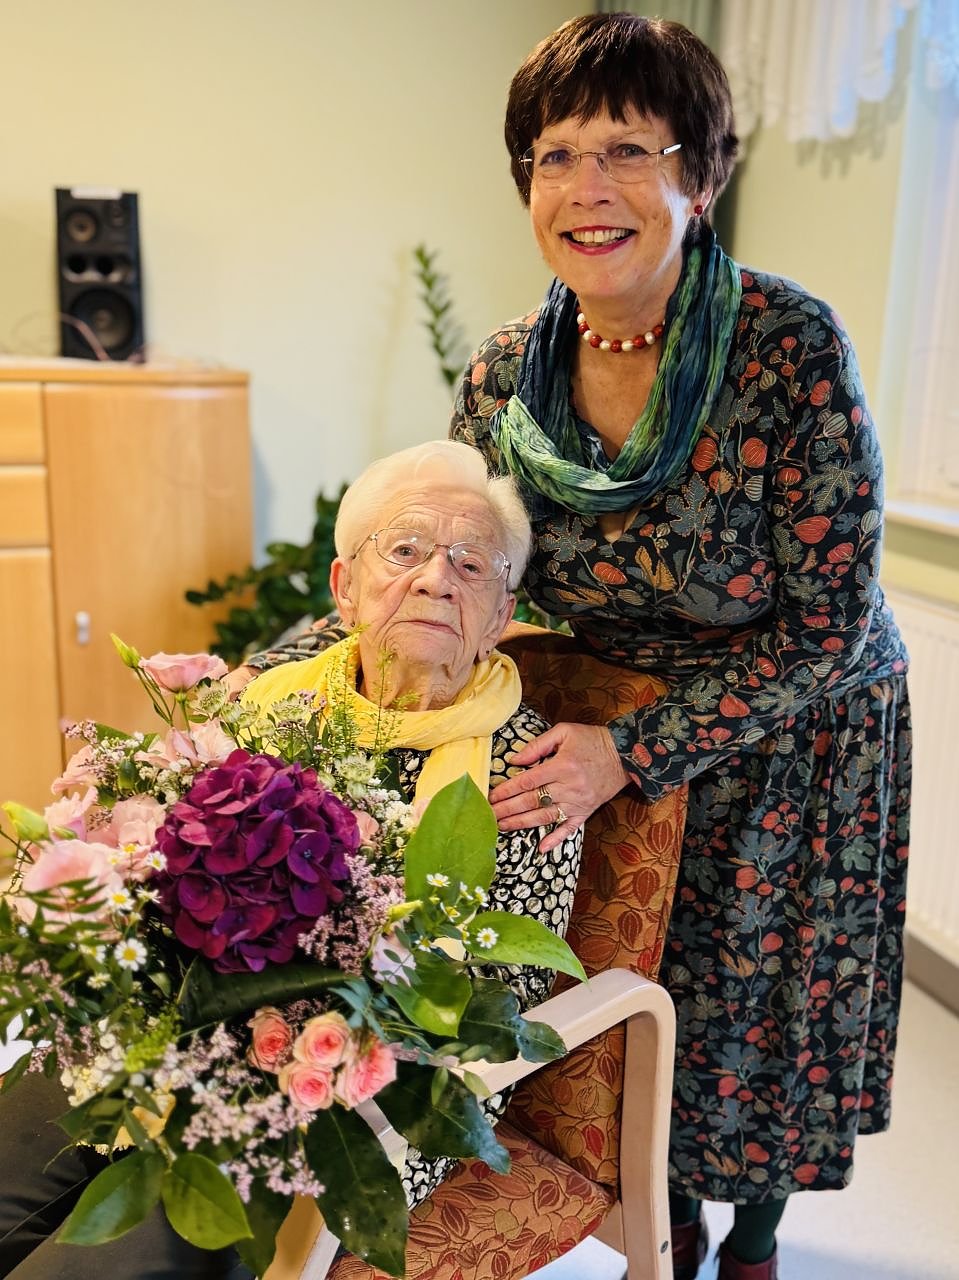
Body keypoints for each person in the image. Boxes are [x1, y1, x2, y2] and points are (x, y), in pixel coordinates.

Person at [242, 13, 911, 1280]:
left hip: (786, 727)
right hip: (605, 712)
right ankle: (666, 1210)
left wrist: (634, 748)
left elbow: (827, 623)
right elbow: (456, 564)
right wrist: (273, 676)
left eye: (626, 150)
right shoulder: (507, 370)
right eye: (553, 155)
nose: (585, 187)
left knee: (752, 1025)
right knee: (640, 1019)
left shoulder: (788, 348)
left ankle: (751, 1239)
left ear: (697, 175)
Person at [0, 441, 582, 1280]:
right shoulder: (271, 704)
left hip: (342, 1085)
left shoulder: (533, 771)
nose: (435, 580)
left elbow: (503, 993)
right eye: (405, 550)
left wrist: (307, 1031)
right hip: (171, 1022)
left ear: (499, 615)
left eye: (471, 565)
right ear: (344, 588)